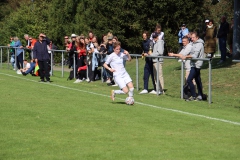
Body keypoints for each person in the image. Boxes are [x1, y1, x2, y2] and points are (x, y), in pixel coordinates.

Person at [179, 32, 204, 101]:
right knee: (198, 80)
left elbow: (195, 55)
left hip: (197, 65)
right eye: (191, 37)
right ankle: (200, 95)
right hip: (193, 64)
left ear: (197, 37)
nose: (192, 39)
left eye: (193, 38)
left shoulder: (199, 44)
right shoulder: (193, 43)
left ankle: (193, 95)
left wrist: (186, 56)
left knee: (189, 79)